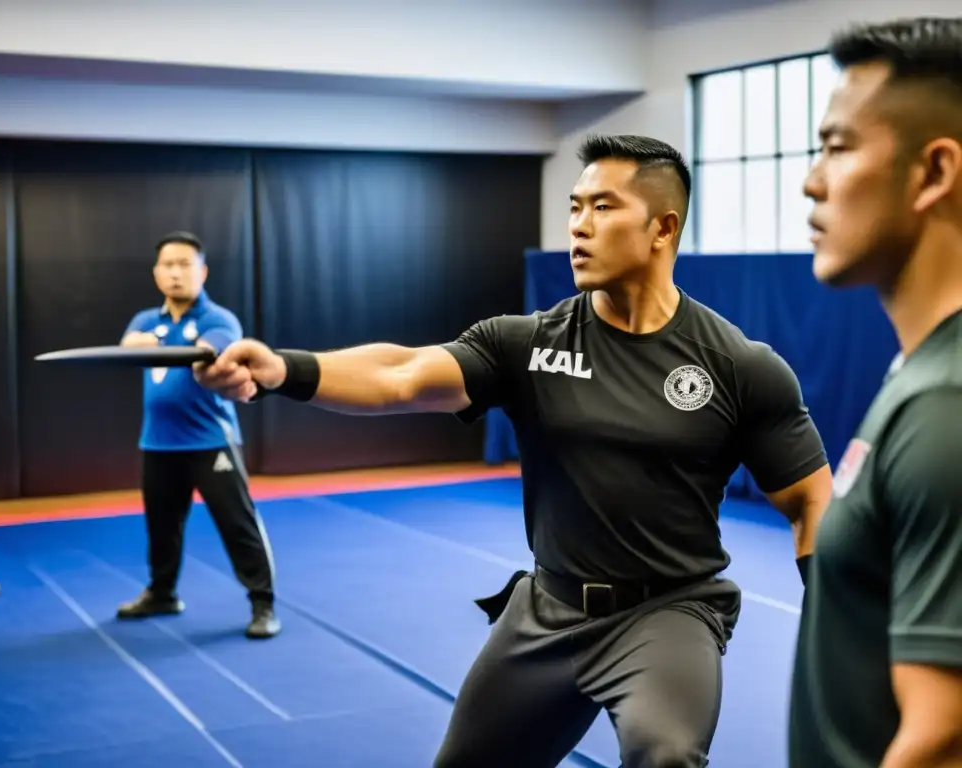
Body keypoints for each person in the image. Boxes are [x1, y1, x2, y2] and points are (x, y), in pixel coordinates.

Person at [195, 136, 833, 767]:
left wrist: (844, 627)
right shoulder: (528, 344)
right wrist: (284, 368)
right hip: (547, 611)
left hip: (668, 614)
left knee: (663, 755)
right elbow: (403, 374)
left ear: (663, 228)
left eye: (603, 208)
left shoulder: (740, 367)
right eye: (575, 207)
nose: (579, 226)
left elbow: (810, 498)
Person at [790, 17, 962, 768]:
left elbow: (941, 739)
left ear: (933, 173)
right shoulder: (919, 375)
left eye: (837, 146)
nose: (811, 179)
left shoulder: (945, 405)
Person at [115, 231, 279, 640]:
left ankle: (263, 603)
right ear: (156, 274)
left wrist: (149, 342)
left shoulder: (218, 319)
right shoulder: (143, 320)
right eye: (167, 265)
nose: (175, 273)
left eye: (184, 264)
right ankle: (162, 593)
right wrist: (146, 340)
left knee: (237, 523)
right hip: (157, 442)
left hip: (211, 442)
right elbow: (126, 347)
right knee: (161, 525)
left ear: (202, 271)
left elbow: (205, 353)